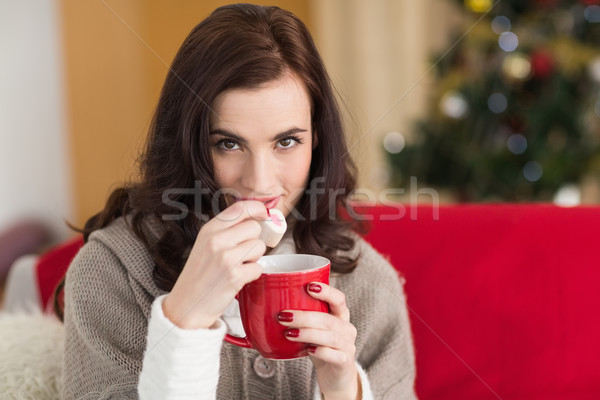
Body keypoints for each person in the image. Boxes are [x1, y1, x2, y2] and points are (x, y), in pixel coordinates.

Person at [61, 3, 417, 399]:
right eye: (228, 144)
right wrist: (185, 322)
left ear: (317, 140)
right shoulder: (109, 274)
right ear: (187, 141)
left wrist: (343, 390)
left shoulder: (369, 285)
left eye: (286, 141)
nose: (260, 183)